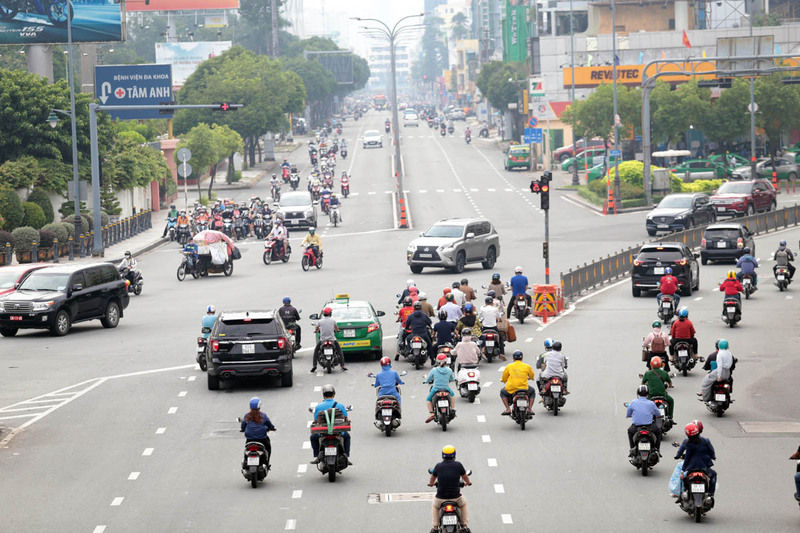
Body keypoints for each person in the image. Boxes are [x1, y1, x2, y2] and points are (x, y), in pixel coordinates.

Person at [428, 445, 471, 533]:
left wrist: (431, 484)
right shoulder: (458, 465)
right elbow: (465, 476)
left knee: (435, 506)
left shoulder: (438, 466)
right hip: (456, 498)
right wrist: (468, 483)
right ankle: (464, 525)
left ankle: (435, 527)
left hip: (440, 499)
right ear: (454, 455)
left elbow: (432, 478)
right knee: (464, 503)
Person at [309, 384, 351, 464]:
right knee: (347, 437)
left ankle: (317, 455)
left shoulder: (318, 407)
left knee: (313, 437)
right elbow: (346, 418)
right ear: (334, 394)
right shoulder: (340, 405)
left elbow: (315, 420)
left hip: (323, 432)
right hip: (338, 432)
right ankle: (346, 456)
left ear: (323, 396)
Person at [680, 423, 717, 495]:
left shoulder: (688, 443)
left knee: (683, 479)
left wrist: (682, 471)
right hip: (704, 468)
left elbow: (687, 459)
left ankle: (682, 494)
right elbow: (711, 451)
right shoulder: (705, 440)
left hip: (691, 469)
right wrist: (713, 457)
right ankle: (711, 493)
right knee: (714, 475)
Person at [626, 385, 662, 452]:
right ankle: (657, 449)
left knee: (630, 432)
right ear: (648, 393)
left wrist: (630, 415)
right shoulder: (651, 403)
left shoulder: (633, 402)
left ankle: (632, 449)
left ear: (638, 394)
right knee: (659, 432)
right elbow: (658, 414)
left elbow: (628, 414)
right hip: (649, 427)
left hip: (636, 427)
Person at [310, 307, 347, 373]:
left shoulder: (320, 321)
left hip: (323, 340)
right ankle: (343, 365)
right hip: (332, 340)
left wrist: (316, 331)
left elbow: (316, 327)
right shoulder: (333, 321)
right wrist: (337, 330)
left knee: (316, 351)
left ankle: (314, 366)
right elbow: (336, 328)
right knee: (339, 351)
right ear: (330, 313)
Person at [500, 351, 536, 415]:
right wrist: (530, 378)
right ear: (522, 358)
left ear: (513, 358)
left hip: (511, 389)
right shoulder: (527, 366)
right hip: (524, 389)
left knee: (502, 392)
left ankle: (508, 409)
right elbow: (532, 375)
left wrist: (503, 380)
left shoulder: (509, 366)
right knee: (532, 391)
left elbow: (504, 378)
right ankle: (529, 409)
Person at [424, 353, 457, 422]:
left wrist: (425, 381)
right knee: (453, 396)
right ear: (446, 361)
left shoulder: (434, 370)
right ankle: (452, 409)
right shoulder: (449, 370)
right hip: (446, 389)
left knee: (428, 400)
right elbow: (452, 379)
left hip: (435, 389)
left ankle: (432, 413)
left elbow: (428, 379)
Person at [478, 296, 505, 360]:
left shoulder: (482, 309)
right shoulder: (495, 309)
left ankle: (480, 352)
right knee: (501, 339)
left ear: (485, 303)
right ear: (492, 303)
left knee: (479, 339)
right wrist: (499, 319)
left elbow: (479, 317)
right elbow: (499, 317)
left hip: (485, 328)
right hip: (493, 328)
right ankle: (501, 353)